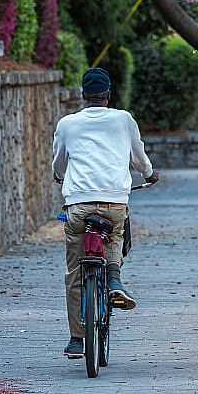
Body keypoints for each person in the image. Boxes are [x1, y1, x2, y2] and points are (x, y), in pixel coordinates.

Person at [52, 67, 159, 359]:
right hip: (114, 201)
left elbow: (59, 164)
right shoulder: (124, 120)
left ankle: (76, 339)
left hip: (78, 205)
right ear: (109, 94)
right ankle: (114, 280)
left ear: (83, 95)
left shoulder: (67, 124)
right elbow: (139, 158)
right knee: (114, 237)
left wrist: (61, 177)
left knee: (75, 269)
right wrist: (149, 175)